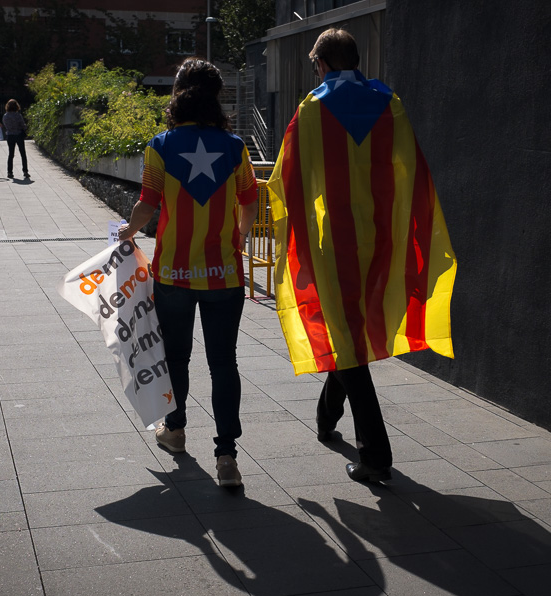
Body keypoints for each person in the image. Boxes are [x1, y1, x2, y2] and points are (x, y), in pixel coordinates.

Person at [267, 28, 457, 483]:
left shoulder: (311, 110)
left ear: (324, 65)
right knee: (349, 332)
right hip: (382, 241)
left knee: (347, 339)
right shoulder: (390, 103)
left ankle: (376, 456)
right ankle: (326, 419)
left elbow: (286, 181)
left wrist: (291, 239)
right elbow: (413, 171)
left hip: (333, 245)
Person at [118, 57, 258, 487]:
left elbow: (147, 204)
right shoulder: (235, 147)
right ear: (216, 98)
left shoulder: (160, 146)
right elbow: (251, 199)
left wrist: (128, 232)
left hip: (174, 274)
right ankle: (227, 456)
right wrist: (240, 238)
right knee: (224, 363)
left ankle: (175, 431)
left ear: (178, 95)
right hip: (224, 276)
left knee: (176, 357)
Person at [2, 99, 31, 180]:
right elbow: (23, 125)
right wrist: (24, 128)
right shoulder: (18, 115)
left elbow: (5, 125)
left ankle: (10, 172)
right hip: (19, 135)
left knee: (11, 154)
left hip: (10, 135)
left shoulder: (5, 116)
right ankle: (25, 171)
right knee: (22, 153)